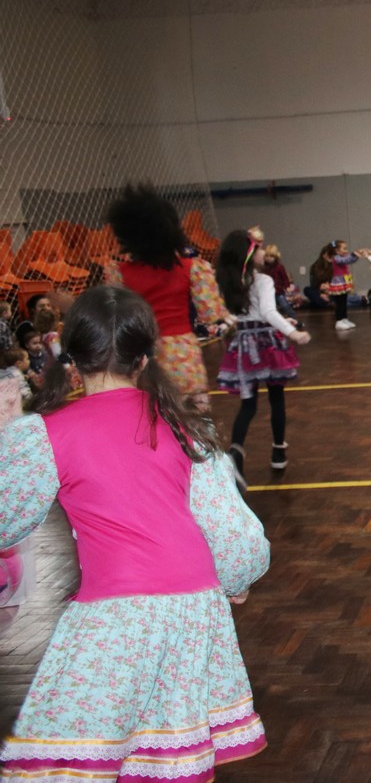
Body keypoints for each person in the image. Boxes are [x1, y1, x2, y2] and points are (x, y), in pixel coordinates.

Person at [0, 285, 269, 778]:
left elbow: (5, 518)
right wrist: (237, 579)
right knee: (163, 753)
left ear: (72, 359)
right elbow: (231, 530)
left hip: (115, 614)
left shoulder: (47, 433)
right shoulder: (185, 426)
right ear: (144, 359)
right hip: (193, 609)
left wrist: (5, 431)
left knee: (71, 756)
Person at [103, 185, 234, 409]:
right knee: (193, 417)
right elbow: (210, 314)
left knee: (148, 417)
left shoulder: (119, 273)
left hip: (141, 357)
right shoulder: (193, 268)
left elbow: (113, 316)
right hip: (182, 356)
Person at [215, 230, 311, 486]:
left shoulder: (228, 281)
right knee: (276, 398)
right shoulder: (263, 280)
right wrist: (292, 332)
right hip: (267, 345)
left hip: (243, 345)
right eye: (258, 248)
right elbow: (268, 311)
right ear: (248, 254)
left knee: (248, 405)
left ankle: (236, 452)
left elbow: (239, 315)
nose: (263, 251)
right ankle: (278, 451)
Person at [326, 239, 367, 330]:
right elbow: (345, 260)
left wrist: (357, 255)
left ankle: (344, 319)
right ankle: (339, 320)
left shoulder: (341, 257)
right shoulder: (336, 258)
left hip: (344, 282)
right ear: (337, 251)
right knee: (339, 303)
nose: (346, 250)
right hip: (338, 283)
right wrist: (354, 254)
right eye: (344, 249)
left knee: (344, 302)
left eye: (346, 248)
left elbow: (350, 260)